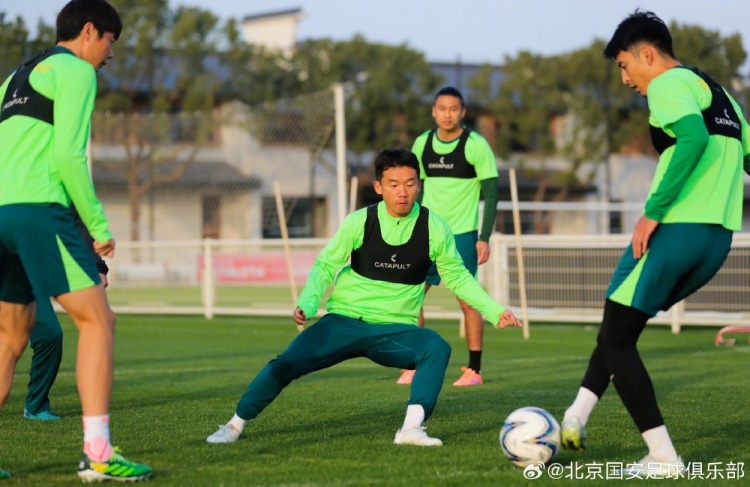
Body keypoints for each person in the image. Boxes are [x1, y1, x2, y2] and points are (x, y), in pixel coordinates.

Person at [206, 148, 522, 447]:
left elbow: (458, 277)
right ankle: (234, 425)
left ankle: (411, 430)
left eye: (410, 183)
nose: (403, 192)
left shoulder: (435, 227)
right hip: (344, 322)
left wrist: (495, 311)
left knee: (436, 347)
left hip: (394, 330)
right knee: (286, 362)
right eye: (394, 184)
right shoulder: (360, 220)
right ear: (378, 187)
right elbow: (326, 264)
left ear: (419, 185)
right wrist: (308, 302)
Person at [560, 9, 750, 478]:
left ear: (647, 54)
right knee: (617, 324)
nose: (625, 79)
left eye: (625, 65)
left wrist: (653, 211)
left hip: (677, 228)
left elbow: (692, 139)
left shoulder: (667, 84)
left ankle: (663, 458)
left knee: (618, 337)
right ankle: (574, 418)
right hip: (717, 239)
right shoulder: (722, 95)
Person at [0, 0, 151, 481]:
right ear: (89, 31)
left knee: (9, 338)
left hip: (1, 214)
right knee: (98, 321)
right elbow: (68, 156)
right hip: (38, 211)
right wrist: (98, 227)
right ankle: (98, 453)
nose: (110, 54)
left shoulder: (12, 79)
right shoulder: (76, 71)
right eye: (110, 41)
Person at [399, 86, 499, 387]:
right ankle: (413, 365)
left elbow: (492, 193)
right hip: (427, 234)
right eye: (442, 108)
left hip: (462, 237)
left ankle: (474, 370)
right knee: (411, 298)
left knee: (468, 301)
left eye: (453, 109)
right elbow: (414, 188)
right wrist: (408, 226)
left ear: (462, 112)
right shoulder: (422, 143)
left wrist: (484, 237)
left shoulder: (476, 145)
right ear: (434, 111)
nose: (447, 114)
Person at [24, 206, 110, 422]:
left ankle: (36, 405)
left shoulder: (66, 194)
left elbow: (80, 230)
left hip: (32, 276)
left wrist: (98, 267)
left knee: (49, 334)